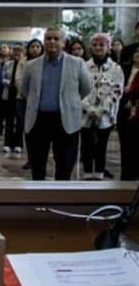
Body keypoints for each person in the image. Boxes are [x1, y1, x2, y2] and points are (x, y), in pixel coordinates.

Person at [21, 27, 92, 181]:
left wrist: (70, 101)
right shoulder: (31, 65)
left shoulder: (77, 63)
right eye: (48, 38)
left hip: (65, 120)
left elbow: (86, 88)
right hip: (38, 120)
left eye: (56, 38)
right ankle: (38, 197)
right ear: (44, 42)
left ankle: (61, 197)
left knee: (65, 164)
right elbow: (24, 90)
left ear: (64, 43)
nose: (52, 41)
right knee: (37, 165)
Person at [80, 33, 124, 180]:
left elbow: (117, 91)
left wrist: (100, 110)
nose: (98, 48)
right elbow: (79, 90)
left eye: (102, 45)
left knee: (101, 148)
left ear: (108, 47)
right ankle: (86, 176)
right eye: (95, 45)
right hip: (85, 115)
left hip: (105, 116)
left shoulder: (115, 69)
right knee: (86, 148)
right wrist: (89, 108)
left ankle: (99, 176)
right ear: (91, 48)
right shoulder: (84, 66)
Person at [16, 39, 43, 170]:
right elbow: (19, 80)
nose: (35, 49)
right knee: (28, 130)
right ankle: (30, 159)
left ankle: (39, 158)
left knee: (40, 131)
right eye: (32, 46)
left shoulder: (45, 61)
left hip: (42, 101)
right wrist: (29, 96)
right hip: (24, 100)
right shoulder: (23, 62)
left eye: (38, 46)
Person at [118, 48, 139, 180]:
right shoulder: (123, 68)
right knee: (126, 146)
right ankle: (126, 176)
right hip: (124, 111)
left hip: (136, 113)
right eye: (136, 51)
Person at [1, 43, 25, 154]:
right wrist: (9, 82)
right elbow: (2, 78)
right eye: (15, 50)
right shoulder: (8, 64)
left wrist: (18, 83)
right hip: (9, 93)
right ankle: (7, 143)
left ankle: (18, 144)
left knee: (19, 121)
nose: (17, 52)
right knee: (9, 120)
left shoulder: (26, 65)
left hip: (20, 95)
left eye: (19, 50)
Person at [0, 43, 11, 135]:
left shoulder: (12, 61)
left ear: (9, 50)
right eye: (1, 48)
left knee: (8, 110)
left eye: (5, 47)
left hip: (8, 87)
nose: (3, 49)